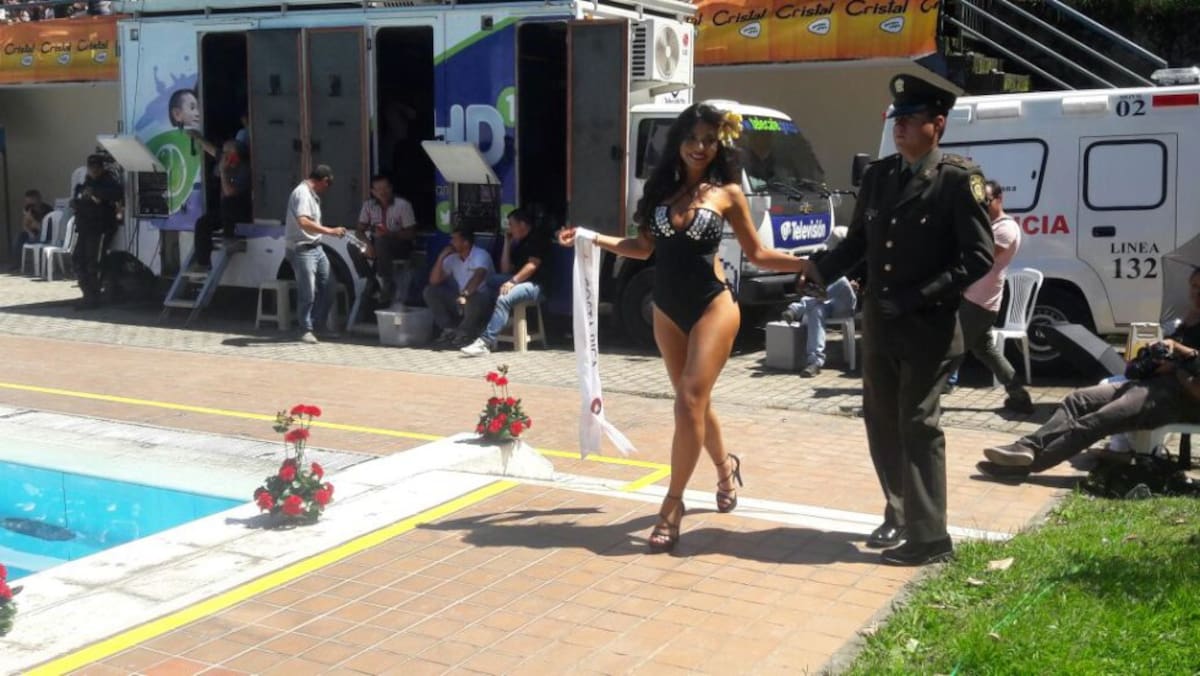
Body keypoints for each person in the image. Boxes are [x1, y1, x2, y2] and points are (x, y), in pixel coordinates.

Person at [558, 102, 820, 553]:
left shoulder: (728, 194)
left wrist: (809, 263)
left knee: (687, 401)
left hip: (712, 306)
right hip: (667, 309)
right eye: (692, 139)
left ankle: (672, 504)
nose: (700, 148)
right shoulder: (660, 191)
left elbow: (756, 254)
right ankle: (725, 468)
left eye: (708, 140)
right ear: (677, 142)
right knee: (694, 403)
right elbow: (642, 247)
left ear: (720, 146)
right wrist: (591, 237)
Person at [812, 74, 994, 566]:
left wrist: (920, 295)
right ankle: (899, 509)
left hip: (928, 326)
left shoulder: (958, 179)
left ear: (937, 125)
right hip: (880, 323)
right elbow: (858, 245)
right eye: (898, 119)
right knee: (881, 422)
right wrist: (817, 273)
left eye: (911, 120)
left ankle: (931, 537)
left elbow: (979, 257)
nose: (901, 127)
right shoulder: (880, 176)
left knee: (917, 423)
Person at [981, 268, 1200, 478]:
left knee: (1097, 420)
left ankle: (1027, 466)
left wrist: (1178, 355)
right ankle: (1027, 447)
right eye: (1193, 286)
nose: (1196, 293)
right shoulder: (1190, 318)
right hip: (1153, 385)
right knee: (1078, 399)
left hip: (1181, 398)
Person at [945, 180, 1035, 412]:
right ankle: (1019, 395)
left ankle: (926, 393)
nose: (982, 206)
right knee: (985, 349)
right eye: (978, 202)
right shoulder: (989, 226)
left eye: (986, 201)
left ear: (999, 199)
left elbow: (979, 257)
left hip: (980, 299)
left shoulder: (1006, 228)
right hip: (978, 297)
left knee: (951, 347)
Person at [461, 208, 550, 357]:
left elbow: (532, 265)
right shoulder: (520, 242)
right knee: (491, 281)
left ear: (522, 224)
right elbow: (506, 269)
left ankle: (485, 342)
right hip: (522, 282)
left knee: (504, 298)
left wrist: (512, 282)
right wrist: (507, 243)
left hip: (537, 286)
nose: (509, 228)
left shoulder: (537, 238)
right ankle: (500, 323)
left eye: (511, 224)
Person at [284, 165, 345, 344]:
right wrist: (330, 231)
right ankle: (305, 329)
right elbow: (303, 222)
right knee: (308, 291)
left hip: (315, 247)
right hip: (301, 247)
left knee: (329, 286)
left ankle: (319, 325)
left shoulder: (311, 194)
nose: (327, 190)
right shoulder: (302, 193)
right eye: (328, 185)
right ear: (324, 180)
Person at [423, 227, 495, 347]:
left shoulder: (480, 254)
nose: (451, 243)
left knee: (474, 297)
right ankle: (448, 329)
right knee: (430, 291)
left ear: (465, 242)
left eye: (454, 240)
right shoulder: (452, 258)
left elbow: (478, 276)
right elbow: (434, 281)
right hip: (461, 298)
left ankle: (464, 333)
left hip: (482, 299)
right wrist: (441, 257)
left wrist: (465, 294)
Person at [782, 270, 860, 378]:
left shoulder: (855, 257)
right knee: (816, 310)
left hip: (845, 303)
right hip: (829, 301)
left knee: (842, 281)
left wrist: (858, 286)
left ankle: (796, 309)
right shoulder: (826, 261)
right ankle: (815, 363)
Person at [71, 154, 124, 310]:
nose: (94, 170)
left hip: (99, 228)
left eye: (96, 168)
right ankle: (87, 294)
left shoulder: (109, 183)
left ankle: (94, 296)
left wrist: (95, 195)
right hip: (84, 227)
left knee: (93, 261)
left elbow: (115, 195)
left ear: (101, 168)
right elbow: (78, 199)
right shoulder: (85, 183)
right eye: (91, 167)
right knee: (78, 259)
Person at [190, 140, 252, 271]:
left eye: (225, 152)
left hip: (242, 211)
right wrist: (197, 137)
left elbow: (230, 192)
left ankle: (229, 237)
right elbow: (212, 150)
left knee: (228, 201)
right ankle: (203, 263)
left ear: (233, 154)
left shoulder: (244, 170)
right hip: (225, 213)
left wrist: (224, 172)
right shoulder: (226, 160)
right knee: (202, 223)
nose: (222, 155)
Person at [356, 174, 417, 303]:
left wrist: (389, 234)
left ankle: (386, 283)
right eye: (378, 189)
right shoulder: (368, 205)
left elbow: (411, 234)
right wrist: (367, 244)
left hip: (399, 245)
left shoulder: (403, 205)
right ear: (373, 192)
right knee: (353, 245)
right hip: (376, 244)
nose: (382, 192)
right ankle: (371, 279)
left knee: (382, 241)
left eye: (385, 188)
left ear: (391, 188)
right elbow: (359, 231)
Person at [12, 190, 53, 268]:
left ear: (38, 199)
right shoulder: (29, 208)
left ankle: (41, 264)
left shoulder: (47, 209)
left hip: (45, 234)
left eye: (31, 201)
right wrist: (30, 232)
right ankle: (16, 263)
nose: (29, 204)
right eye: (27, 201)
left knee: (38, 233)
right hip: (33, 233)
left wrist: (32, 219)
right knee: (18, 237)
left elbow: (43, 228)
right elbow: (25, 225)